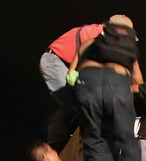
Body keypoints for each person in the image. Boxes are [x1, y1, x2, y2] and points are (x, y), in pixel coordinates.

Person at [72, 15, 144, 161]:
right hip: (118, 82)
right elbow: (139, 83)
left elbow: (70, 76)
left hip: (87, 81)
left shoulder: (88, 44)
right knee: (126, 137)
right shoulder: (129, 52)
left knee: (93, 137)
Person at [39, 20, 106, 151]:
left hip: (58, 62)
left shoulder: (96, 35)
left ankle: (61, 140)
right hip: (55, 61)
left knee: (74, 103)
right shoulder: (93, 33)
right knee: (72, 103)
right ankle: (56, 144)